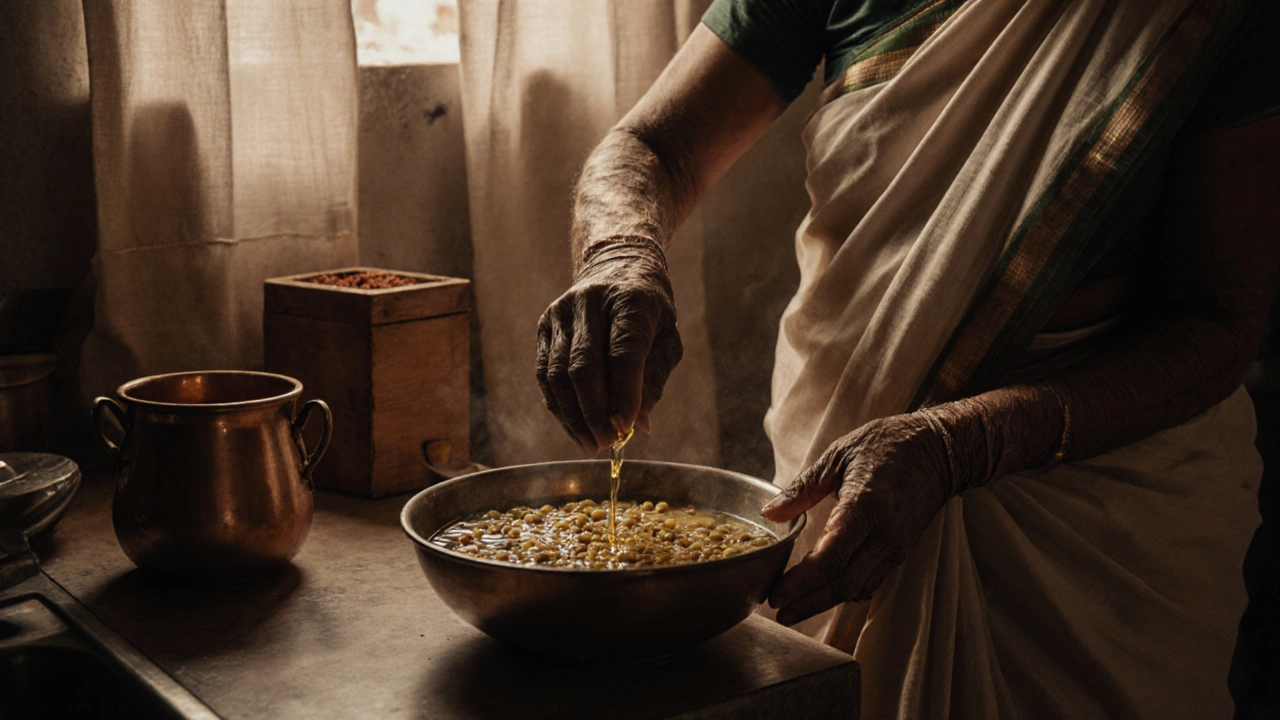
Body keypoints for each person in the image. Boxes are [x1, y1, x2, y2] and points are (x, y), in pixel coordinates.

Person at [536, 0, 1280, 716]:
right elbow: (655, 147)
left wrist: (968, 442)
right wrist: (620, 251)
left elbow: (1214, 323)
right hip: (839, 469)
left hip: (1094, 540)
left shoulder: (1207, 13)